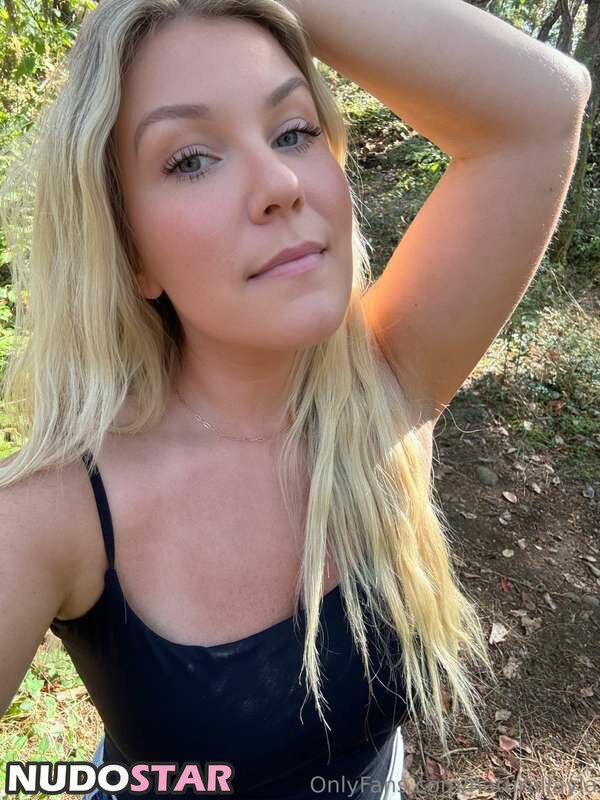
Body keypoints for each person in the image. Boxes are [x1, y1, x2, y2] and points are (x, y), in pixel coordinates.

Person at [1, 0, 589, 797]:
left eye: (293, 132)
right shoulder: (53, 513)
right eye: (191, 160)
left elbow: (541, 108)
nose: (280, 184)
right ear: (131, 251)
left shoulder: (384, 388)